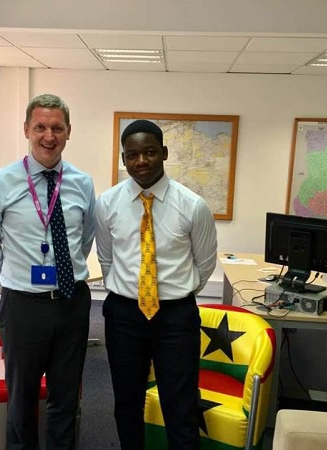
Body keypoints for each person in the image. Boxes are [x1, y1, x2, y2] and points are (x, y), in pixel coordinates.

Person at [0, 93, 95, 450]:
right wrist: (16, 280)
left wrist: (63, 274)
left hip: (71, 303)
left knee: (64, 397)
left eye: (57, 128)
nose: (49, 136)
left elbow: (84, 239)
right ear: (27, 129)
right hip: (23, 306)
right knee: (22, 398)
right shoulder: (0, 181)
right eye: (40, 127)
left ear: (69, 132)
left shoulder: (82, 183)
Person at [94, 119, 218, 450]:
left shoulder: (193, 205)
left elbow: (205, 264)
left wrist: (175, 294)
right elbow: (106, 259)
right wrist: (128, 292)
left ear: (163, 152)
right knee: (126, 402)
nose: (141, 161)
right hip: (123, 315)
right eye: (132, 155)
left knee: (180, 406)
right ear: (124, 159)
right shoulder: (106, 203)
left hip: (176, 318)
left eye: (150, 152)